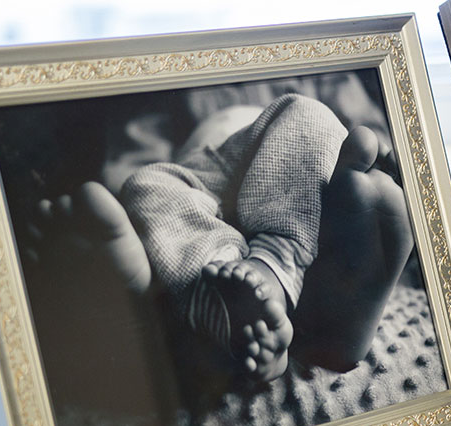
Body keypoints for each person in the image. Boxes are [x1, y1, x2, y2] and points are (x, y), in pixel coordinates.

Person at [30, 93, 414, 384]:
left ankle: (277, 274)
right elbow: (128, 162)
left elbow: (373, 139)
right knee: (146, 184)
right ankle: (234, 311)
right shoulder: (166, 78)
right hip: (205, 185)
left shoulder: (327, 66)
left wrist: (388, 163)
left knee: (311, 116)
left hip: (298, 193)